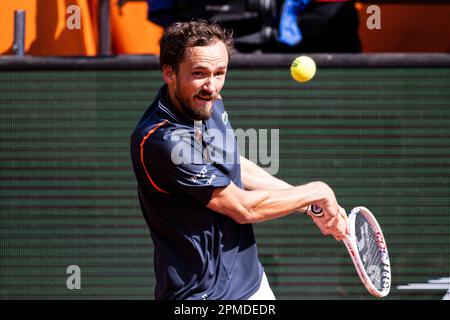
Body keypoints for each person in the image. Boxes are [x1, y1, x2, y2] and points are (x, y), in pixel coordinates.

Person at [130, 19, 348, 300]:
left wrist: (308, 204)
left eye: (220, 73)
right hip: (201, 297)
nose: (211, 85)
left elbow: (233, 164)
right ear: (169, 73)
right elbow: (243, 208)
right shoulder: (163, 141)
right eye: (199, 73)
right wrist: (317, 191)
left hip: (251, 284)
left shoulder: (206, 101)